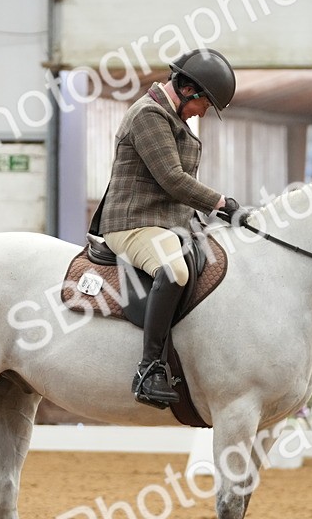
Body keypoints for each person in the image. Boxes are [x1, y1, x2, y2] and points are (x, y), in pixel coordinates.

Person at [92, 48, 240, 408]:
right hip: (133, 223)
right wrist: (221, 203)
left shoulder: (174, 121)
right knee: (173, 270)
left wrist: (211, 218)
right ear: (189, 89)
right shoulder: (148, 115)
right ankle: (149, 368)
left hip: (170, 224)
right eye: (206, 104)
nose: (203, 113)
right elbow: (173, 179)